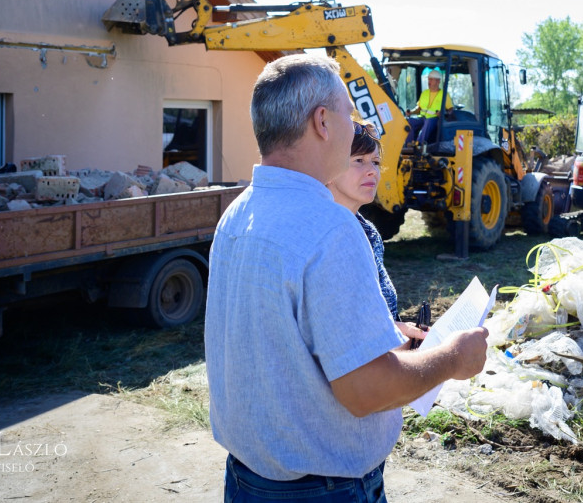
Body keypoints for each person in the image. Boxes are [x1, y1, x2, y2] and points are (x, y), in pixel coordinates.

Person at [205, 54, 488, 503]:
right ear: (322, 121)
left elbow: (281, 340)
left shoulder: (238, 214)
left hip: (248, 480)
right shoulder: (331, 230)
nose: (355, 129)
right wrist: (453, 358)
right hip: (323, 491)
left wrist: (382, 334)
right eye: (349, 116)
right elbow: (366, 390)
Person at [327, 119, 398, 319]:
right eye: (359, 160)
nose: (372, 171)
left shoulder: (369, 232)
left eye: (375, 162)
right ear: (329, 169)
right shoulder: (322, 236)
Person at [405, 68, 451, 145]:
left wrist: (444, 113)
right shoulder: (424, 93)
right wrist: (411, 112)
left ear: (438, 81)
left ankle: (419, 144)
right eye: (429, 79)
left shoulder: (444, 94)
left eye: (431, 80)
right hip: (422, 117)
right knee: (409, 121)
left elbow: (450, 109)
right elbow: (419, 108)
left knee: (428, 122)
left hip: (434, 118)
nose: (429, 82)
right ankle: (409, 144)